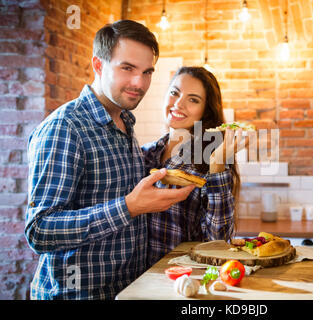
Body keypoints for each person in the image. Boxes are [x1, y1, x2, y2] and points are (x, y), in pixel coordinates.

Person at [24, 20, 195, 300]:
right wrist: (129, 207)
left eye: (147, 72)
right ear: (99, 65)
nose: (139, 83)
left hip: (127, 290)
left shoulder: (125, 120)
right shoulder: (65, 128)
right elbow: (40, 231)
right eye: (127, 68)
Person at [142, 66, 245, 267]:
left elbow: (218, 243)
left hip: (182, 280)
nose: (178, 104)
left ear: (205, 112)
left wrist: (217, 167)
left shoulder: (207, 164)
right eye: (174, 93)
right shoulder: (144, 155)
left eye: (193, 100)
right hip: (136, 284)